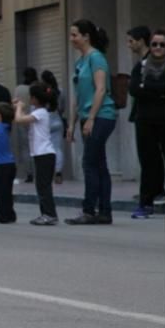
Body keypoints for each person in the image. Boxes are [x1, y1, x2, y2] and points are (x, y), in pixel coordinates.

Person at [65, 19, 117, 226]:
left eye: (74, 35)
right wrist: (71, 123)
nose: (72, 39)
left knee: (89, 163)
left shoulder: (97, 58)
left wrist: (92, 118)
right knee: (99, 164)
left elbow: (101, 89)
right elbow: (77, 96)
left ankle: (90, 210)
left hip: (102, 116)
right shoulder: (80, 62)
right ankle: (104, 211)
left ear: (86, 36)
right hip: (87, 116)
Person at [129, 29, 165, 219]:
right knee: (148, 162)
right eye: (154, 44)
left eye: (162, 44)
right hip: (144, 121)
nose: (158, 48)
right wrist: (160, 91)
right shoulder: (141, 66)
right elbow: (134, 89)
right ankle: (146, 203)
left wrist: (149, 88)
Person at [14, 84, 59, 225]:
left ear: (35, 98)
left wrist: (20, 108)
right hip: (41, 154)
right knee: (41, 185)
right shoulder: (38, 112)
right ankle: (46, 213)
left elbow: (19, 120)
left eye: (31, 97)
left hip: (45, 154)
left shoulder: (40, 113)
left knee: (43, 186)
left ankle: (49, 214)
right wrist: (17, 107)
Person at [40, 70, 66, 184]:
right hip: (57, 120)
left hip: (46, 122)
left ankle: (48, 172)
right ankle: (58, 172)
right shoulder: (60, 91)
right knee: (58, 148)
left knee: (47, 148)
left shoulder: (43, 92)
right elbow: (62, 107)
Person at [14, 67, 37, 182]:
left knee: (25, 147)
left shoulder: (19, 89)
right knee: (36, 146)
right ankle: (38, 171)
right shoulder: (37, 88)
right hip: (35, 120)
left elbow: (15, 103)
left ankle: (29, 173)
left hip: (22, 119)